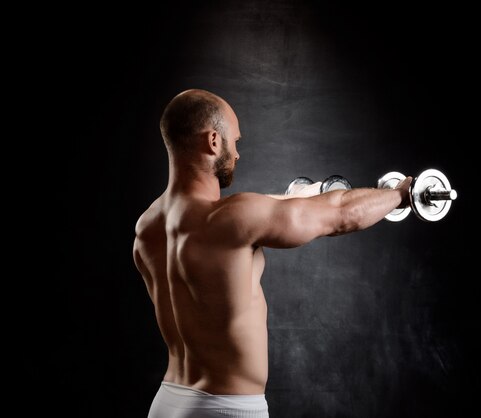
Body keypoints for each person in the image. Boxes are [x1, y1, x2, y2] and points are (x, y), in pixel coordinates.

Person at [133, 89, 412, 418]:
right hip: (227, 408)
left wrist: (302, 196)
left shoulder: (148, 226)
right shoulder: (235, 218)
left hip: (169, 401)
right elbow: (341, 215)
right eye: (234, 141)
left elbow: (244, 211)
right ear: (213, 141)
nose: (237, 153)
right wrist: (401, 194)